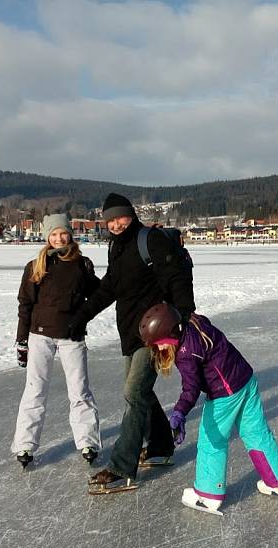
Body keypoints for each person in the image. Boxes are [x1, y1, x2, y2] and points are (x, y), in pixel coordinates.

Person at [69, 193, 195, 493]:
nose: (115, 224)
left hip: (156, 332)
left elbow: (177, 278)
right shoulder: (117, 247)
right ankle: (161, 447)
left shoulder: (149, 240)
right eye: (110, 220)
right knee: (139, 391)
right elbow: (109, 288)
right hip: (130, 332)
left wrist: (184, 316)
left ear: (131, 214)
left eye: (120, 217)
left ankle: (122, 468)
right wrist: (81, 316)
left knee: (134, 393)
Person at [139, 303, 278, 515]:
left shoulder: (185, 353)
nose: (160, 349)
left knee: (212, 440)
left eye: (161, 343)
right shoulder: (193, 321)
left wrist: (179, 412)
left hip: (225, 394)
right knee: (256, 432)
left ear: (172, 334)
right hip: (245, 379)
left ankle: (209, 495)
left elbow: (191, 388)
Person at [11, 214, 102, 470]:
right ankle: (25, 445)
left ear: (70, 234)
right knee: (35, 390)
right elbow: (25, 305)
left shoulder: (82, 265)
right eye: (53, 234)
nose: (58, 238)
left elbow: (100, 296)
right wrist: (22, 341)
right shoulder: (36, 265)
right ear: (47, 237)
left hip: (72, 338)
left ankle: (88, 442)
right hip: (39, 336)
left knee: (79, 391)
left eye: (62, 233)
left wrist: (82, 318)